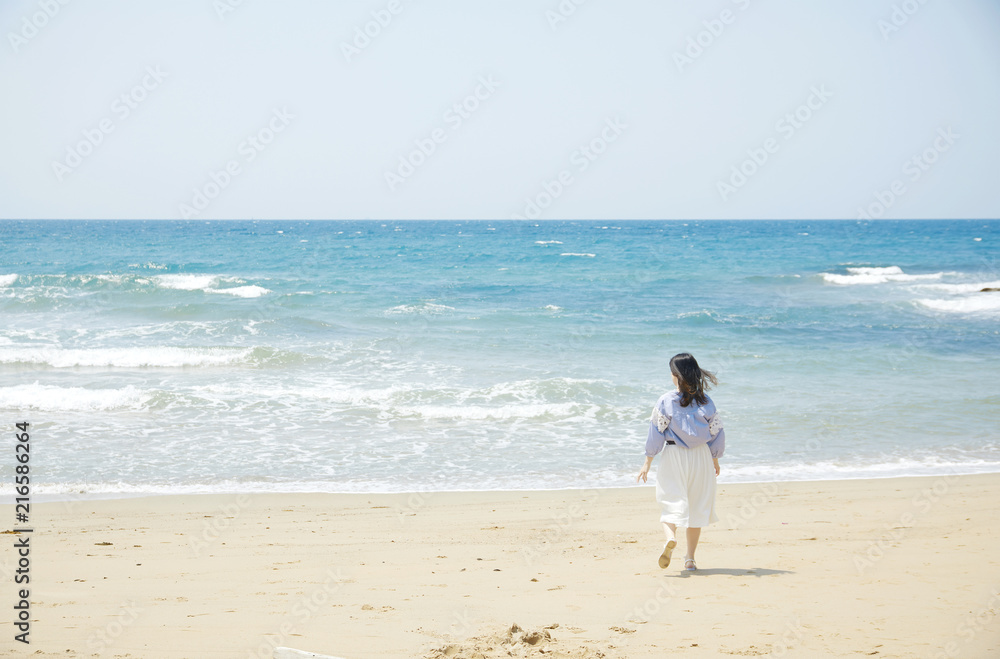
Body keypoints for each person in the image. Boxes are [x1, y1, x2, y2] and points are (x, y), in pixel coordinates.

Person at [636, 353, 725, 571]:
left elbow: (656, 432)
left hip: (674, 455)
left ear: (676, 376)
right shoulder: (706, 401)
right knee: (697, 506)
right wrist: (715, 458)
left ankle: (669, 537)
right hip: (702, 456)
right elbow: (717, 432)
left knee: (669, 499)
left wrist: (647, 461)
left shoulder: (666, 400)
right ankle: (690, 559)